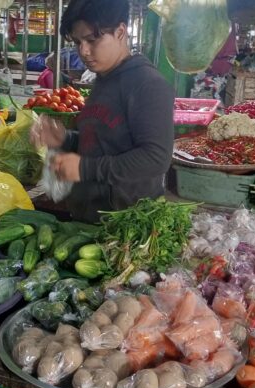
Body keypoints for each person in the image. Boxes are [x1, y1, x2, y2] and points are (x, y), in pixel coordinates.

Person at [30, 0, 174, 223]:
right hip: (89, 219)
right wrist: (65, 139)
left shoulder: (147, 84)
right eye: (78, 42)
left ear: (120, 32)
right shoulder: (103, 79)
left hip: (125, 226)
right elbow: (104, 142)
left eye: (92, 39)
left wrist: (85, 168)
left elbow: (156, 158)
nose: (83, 51)